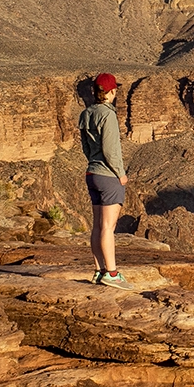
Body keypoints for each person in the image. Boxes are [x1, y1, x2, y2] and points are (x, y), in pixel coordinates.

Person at [79, 72, 132, 289]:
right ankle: (112, 273)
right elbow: (111, 150)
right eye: (115, 89)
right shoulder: (107, 115)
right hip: (109, 176)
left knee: (97, 226)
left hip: (92, 174)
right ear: (110, 92)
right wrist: (120, 173)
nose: (116, 92)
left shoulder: (86, 113)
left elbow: (85, 146)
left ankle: (99, 270)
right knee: (108, 228)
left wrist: (94, 162)